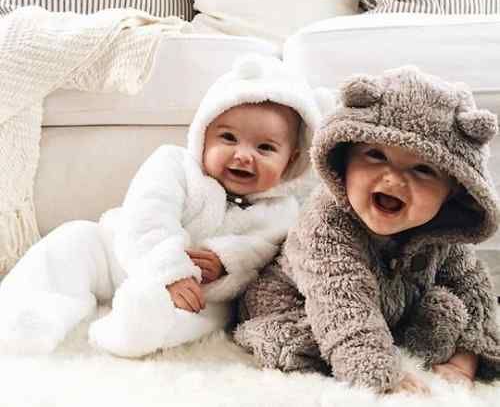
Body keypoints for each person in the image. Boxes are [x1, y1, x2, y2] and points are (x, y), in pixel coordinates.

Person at [0, 54, 321, 358]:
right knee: (72, 240)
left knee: (211, 313)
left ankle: (135, 328)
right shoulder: (173, 163)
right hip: (119, 254)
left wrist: (227, 261)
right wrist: (169, 272)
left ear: (290, 160)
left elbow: (262, 250)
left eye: (265, 147)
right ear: (203, 135)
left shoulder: (283, 210)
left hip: (197, 287)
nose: (243, 155)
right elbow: (148, 216)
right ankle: (28, 316)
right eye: (228, 138)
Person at [235, 66, 500, 394]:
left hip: (390, 305)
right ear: (344, 161)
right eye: (376, 155)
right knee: (288, 341)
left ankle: (396, 340)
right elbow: (340, 297)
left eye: (422, 169)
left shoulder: (443, 235)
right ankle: (358, 350)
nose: (393, 178)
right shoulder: (326, 223)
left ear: (453, 191)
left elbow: (473, 291)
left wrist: (464, 361)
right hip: (301, 299)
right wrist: (376, 373)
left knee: (448, 310)